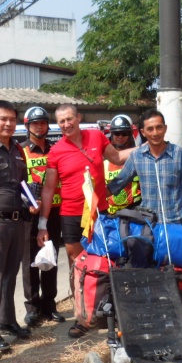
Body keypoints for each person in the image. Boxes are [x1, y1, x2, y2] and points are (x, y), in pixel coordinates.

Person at [36, 104, 133, 338]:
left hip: (99, 212)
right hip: (71, 214)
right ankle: (82, 317)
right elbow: (49, 189)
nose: (66, 124)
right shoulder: (56, 151)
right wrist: (42, 223)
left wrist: (148, 145)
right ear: (57, 125)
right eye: (61, 122)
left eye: (70, 119)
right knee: (78, 265)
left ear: (78, 118)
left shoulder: (96, 136)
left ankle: (108, 310)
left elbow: (118, 158)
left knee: (106, 260)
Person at [0, 100, 38, 350]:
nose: (8, 123)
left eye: (12, 119)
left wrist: (30, 202)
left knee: (10, 276)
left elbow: (22, 185)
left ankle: (7, 321)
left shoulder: (17, 150)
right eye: (3, 119)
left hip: (17, 221)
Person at [108, 109, 182, 237]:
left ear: (165, 128)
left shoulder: (179, 154)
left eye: (159, 128)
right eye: (150, 129)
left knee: (175, 257)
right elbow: (116, 184)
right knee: (150, 257)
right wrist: (91, 196)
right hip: (149, 226)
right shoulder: (137, 156)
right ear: (143, 132)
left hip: (176, 224)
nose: (155, 133)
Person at [20, 106, 66, 327]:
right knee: (30, 262)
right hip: (30, 213)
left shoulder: (56, 150)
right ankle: (32, 307)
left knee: (51, 258)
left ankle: (50, 305)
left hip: (54, 211)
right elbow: (16, 182)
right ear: (27, 126)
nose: (40, 126)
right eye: (35, 123)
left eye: (43, 123)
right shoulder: (21, 151)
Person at [104, 114, 141, 214]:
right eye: (117, 133)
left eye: (124, 133)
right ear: (112, 135)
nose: (120, 136)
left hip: (134, 212)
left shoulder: (138, 159)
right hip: (110, 215)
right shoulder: (104, 162)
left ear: (130, 135)